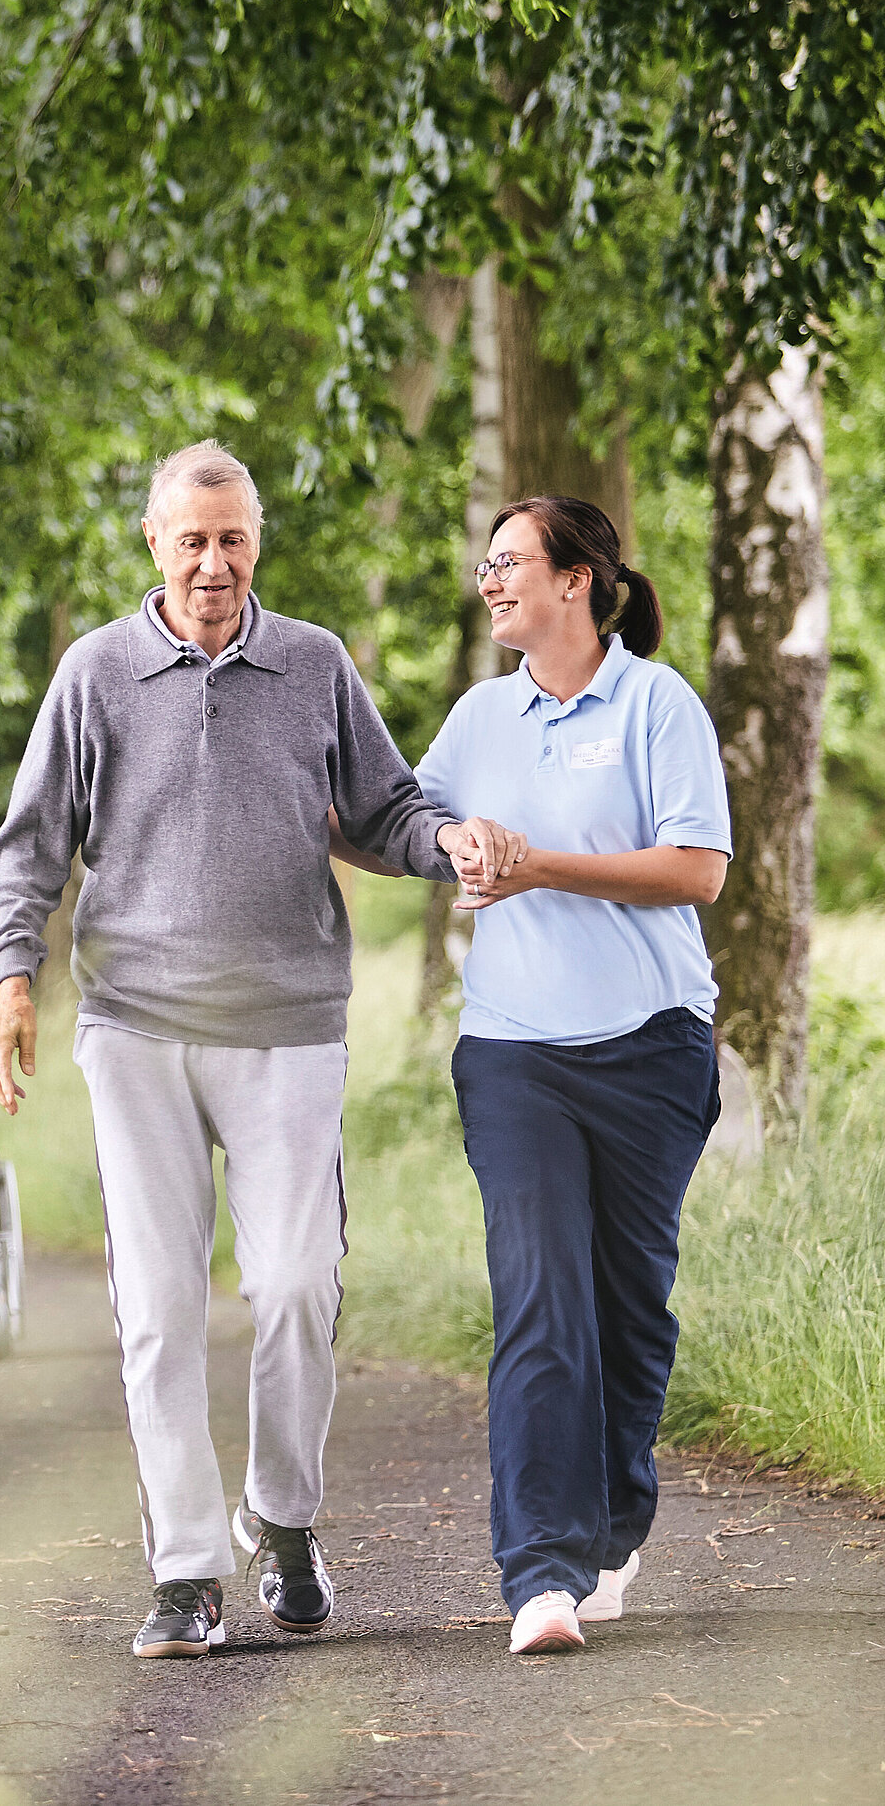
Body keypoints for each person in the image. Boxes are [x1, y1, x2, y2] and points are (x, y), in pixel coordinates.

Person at [0, 440, 519, 1659]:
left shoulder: (314, 663)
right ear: (155, 546)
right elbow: (29, 845)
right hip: (136, 1027)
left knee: (294, 1283)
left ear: (256, 543)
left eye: (233, 540)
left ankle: (281, 1519)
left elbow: (385, 812)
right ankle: (184, 1571)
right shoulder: (98, 672)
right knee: (161, 1305)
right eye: (192, 541)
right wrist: (16, 980)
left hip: (285, 1023)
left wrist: (456, 847)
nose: (214, 563)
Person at [413, 495, 731, 1656]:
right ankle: (540, 1572)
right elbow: (401, 812)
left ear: (579, 581)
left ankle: (610, 1520)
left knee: (628, 1309)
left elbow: (697, 872)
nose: (491, 582)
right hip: (512, 1052)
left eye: (510, 564)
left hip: (650, 1044)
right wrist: (451, 844)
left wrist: (537, 863)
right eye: (488, 565)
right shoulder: (479, 718)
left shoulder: (655, 702)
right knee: (540, 1295)